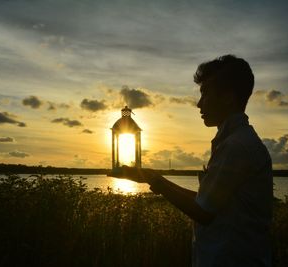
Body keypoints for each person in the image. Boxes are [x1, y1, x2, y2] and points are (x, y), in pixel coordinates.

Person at [113, 55, 273, 267]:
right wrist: (155, 179)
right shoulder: (235, 142)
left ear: (228, 97)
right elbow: (206, 200)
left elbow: (203, 212)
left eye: (205, 93)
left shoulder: (236, 146)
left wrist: (157, 182)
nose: (199, 104)